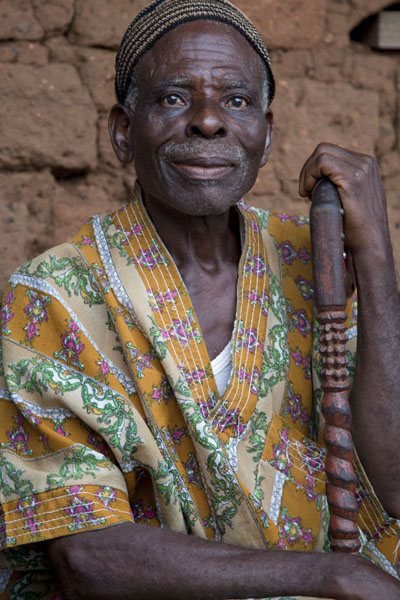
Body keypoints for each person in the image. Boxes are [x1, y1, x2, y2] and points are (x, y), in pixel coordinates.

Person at [0, 0, 399, 598]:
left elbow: (394, 484)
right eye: (174, 98)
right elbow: (90, 557)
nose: (209, 122)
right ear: (121, 132)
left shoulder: (315, 264)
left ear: (266, 137)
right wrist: (329, 576)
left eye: (236, 101)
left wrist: (376, 265)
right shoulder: (54, 297)